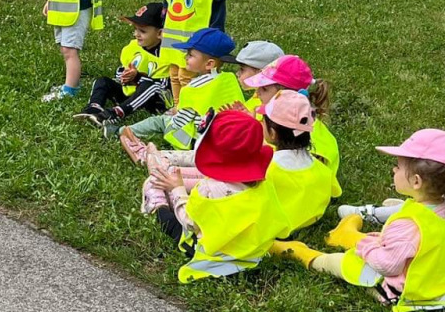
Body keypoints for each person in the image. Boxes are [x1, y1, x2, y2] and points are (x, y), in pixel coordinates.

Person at [285, 130, 445, 312]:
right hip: (443, 286)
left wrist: (366, 248)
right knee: (379, 243)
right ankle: (345, 236)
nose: (394, 169)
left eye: (398, 166)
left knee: (341, 262)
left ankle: (301, 253)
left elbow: (387, 265)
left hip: (404, 291)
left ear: (416, 181)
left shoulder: (408, 224)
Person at [142, 107, 289, 284]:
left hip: (216, 255)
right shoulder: (265, 183)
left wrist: (178, 189)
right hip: (251, 253)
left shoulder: (208, 189)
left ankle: (156, 205)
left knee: (169, 219)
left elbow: (190, 222)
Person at [118, 27, 241, 160]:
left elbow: (180, 121)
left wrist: (171, 118)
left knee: (160, 121)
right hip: (224, 139)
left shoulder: (192, 88)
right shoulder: (230, 79)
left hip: (195, 140)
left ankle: (125, 132)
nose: (185, 57)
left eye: (190, 55)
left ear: (209, 64)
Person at [242, 54, 337, 179]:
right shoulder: (287, 121)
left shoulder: (308, 134)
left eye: (264, 89)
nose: (257, 92)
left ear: (287, 94)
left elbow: (301, 178)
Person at [78, 2, 170, 130]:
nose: (136, 34)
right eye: (135, 29)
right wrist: (125, 75)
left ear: (160, 33)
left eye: (142, 31)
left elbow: (163, 86)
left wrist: (137, 77)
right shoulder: (133, 47)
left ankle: (117, 113)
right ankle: (94, 108)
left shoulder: (167, 54)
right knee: (103, 81)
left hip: (153, 101)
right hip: (130, 93)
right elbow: (120, 72)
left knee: (150, 85)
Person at [260, 91, 341, 235]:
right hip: (312, 219)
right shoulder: (322, 169)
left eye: (262, 120)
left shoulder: (267, 170)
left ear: (272, 133)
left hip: (280, 229)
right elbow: (335, 191)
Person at [234, 40, 283, 111]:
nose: (237, 73)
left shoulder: (269, 104)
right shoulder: (257, 97)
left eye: (242, 69)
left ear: (260, 73)